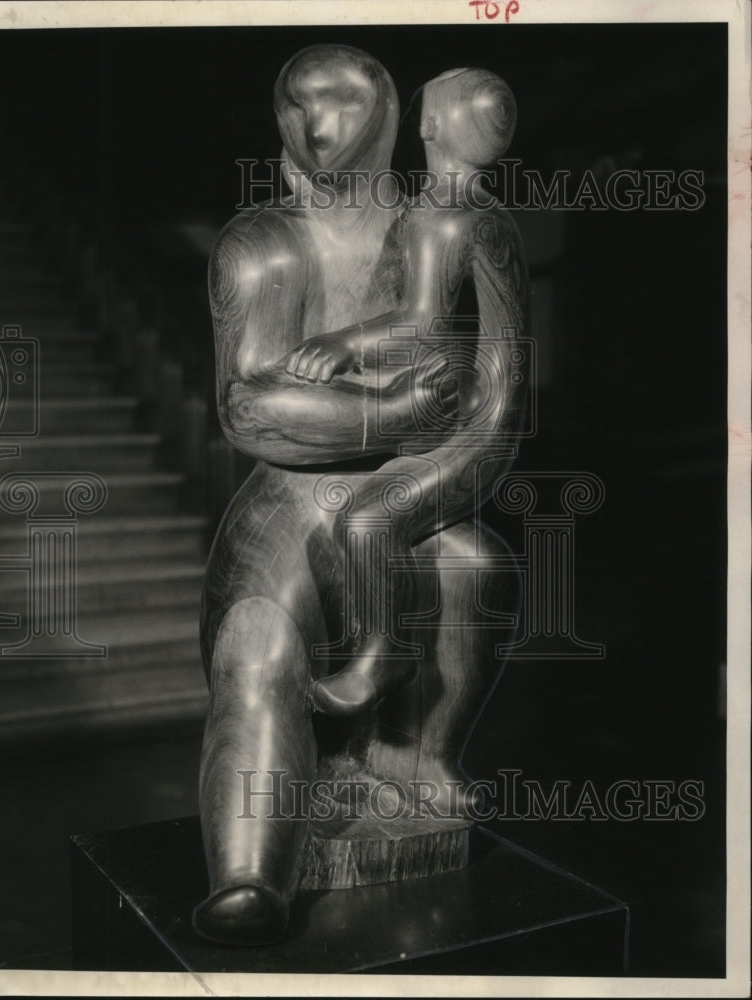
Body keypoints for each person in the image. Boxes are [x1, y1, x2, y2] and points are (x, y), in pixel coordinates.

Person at [194, 50, 526, 946]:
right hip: (289, 506)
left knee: (476, 570)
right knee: (259, 655)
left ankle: (412, 757)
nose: (317, 127)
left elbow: (459, 359)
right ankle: (250, 873)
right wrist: (395, 409)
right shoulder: (263, 242)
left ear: (392, 116)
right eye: (296, 106)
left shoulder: (432, 222)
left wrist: (441, 399)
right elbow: (248, 407)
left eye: (341, 103)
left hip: (401, 486)